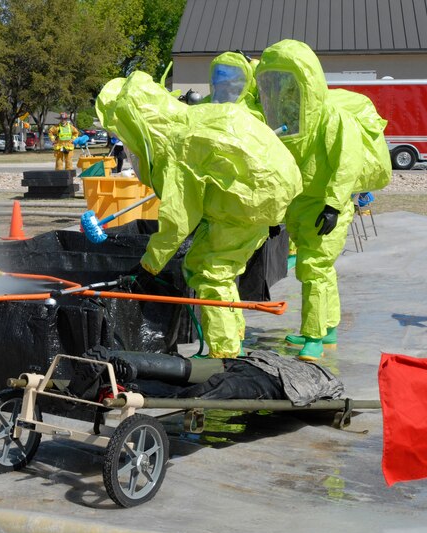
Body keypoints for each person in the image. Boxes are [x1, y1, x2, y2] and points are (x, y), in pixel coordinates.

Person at [96, 71, 302, 359]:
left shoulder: (178, 144)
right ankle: (233, 340)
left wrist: (149, 266)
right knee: (220, 268)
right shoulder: (195, 118)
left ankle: (223, 353)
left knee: (210, 272)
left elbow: (178, 219)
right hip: (261, 198)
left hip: (246, 204)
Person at [254, 39, 391, 361]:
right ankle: (326, 326)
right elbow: (282, 167)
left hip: (327, 203)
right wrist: (276, 216)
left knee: (313, 268)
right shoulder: (286, 122)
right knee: (320, 270)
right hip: (301, 204)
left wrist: (332, 204)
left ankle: (313, 337)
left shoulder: (332, 118)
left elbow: (347, 163)